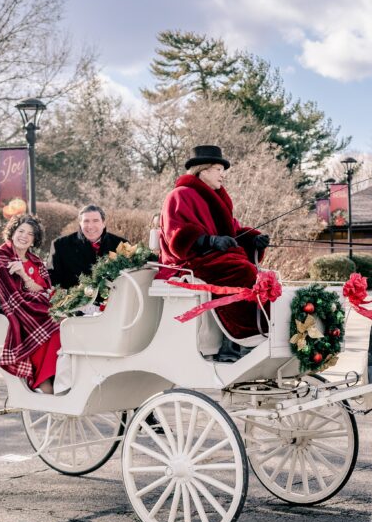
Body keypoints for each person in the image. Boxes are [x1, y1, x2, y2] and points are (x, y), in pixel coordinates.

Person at [155, 145, 270, 361]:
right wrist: (209, 241)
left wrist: (253, 240)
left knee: (257, 275)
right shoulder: (180, 195)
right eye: (218, 169)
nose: (222, 175)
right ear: (204, 170)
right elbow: (175, 236)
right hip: (187, 262)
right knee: (240, 271)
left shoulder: (216, 198)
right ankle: (238, 340)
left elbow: (233, 232)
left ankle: (248, 335)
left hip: (212, 258)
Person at [0, 214, 61, 393]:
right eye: (20, 231)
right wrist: (37, 294)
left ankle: (56, 377)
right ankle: (42, 380)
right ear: (12, 233)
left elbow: (46, 290)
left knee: (63, 321)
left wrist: (24, 275)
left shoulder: (36, 262)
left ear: (34, 240)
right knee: (52, 325)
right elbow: (10, 296)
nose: (24, 236)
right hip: (9, 308)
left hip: (35, 307)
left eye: (30, 234)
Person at [47, 205, 128, 290]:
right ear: (80, 224)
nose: (90, 226)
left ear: (103, 223)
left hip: (114, 299)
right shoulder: (60, 245)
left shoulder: (121, 245)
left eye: (95, 221)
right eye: (86, 221)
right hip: (74, 301)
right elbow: (52, 280)